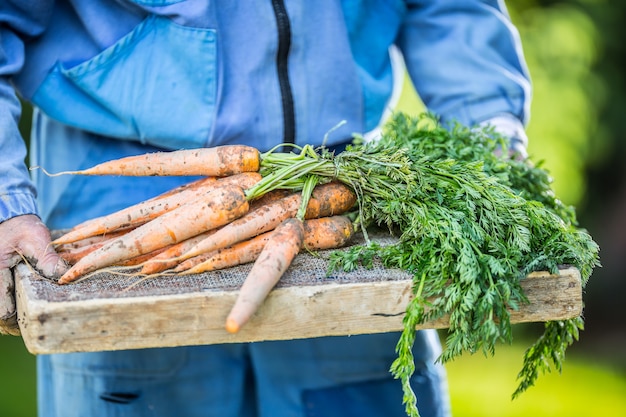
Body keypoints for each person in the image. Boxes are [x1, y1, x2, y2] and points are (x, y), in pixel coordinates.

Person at [0, 1, 531, 416]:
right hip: (124, 180)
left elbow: (452, 7)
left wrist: (491, 132)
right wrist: (5, 202)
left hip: (340, 196)